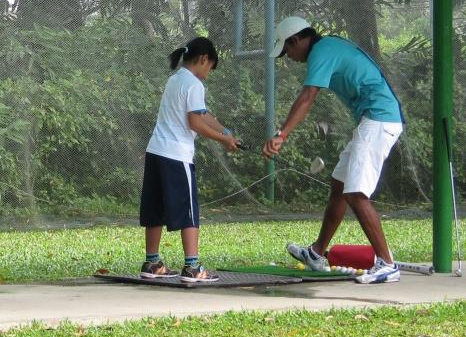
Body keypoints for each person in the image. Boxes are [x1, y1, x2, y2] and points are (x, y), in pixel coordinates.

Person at [263, 16, 405, 284]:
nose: (288, 57)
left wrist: (281, 135)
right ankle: (316, 253)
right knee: (340, 185)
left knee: (356, 193)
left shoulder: (321, 51)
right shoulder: (326, 47)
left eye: (287, 50)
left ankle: (387, 264)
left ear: (296, 40)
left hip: (379, 119)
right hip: (372, 119)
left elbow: (308, 97)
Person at [140, 36, 240, 284]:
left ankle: (152, 263)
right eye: (210, 68)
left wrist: (226, 131)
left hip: (156, 151)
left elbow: (202, 114)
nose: (208, 74)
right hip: (177, 156)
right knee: (190, 211)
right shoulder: (194, 84)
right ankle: (193, 267)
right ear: (204, 59)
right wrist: (223, 140)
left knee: (155, 208)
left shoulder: (175, 79)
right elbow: (195, 122)